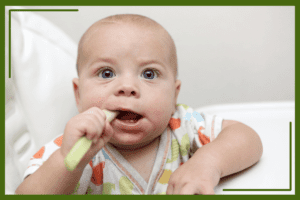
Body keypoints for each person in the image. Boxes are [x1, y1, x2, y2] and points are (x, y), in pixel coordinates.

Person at [15, 14, 263, 195]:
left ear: (174, 95)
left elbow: (247, 137)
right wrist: (66, 163)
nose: (127, 87)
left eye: (149, 74)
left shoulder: (181, 126)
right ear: (79, 95)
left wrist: (208, 163)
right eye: (106, 73)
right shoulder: (71, 149)